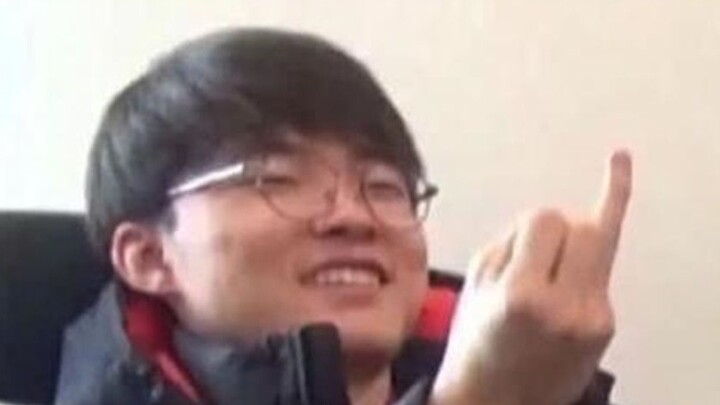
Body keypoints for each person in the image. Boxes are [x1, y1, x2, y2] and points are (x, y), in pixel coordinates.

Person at [56, 28, 632, 405]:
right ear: (149, 257)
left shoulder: (524, 365)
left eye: (383, 186)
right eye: (276, 178)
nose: (354, 216)